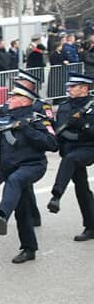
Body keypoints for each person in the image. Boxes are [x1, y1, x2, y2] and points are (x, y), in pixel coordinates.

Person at [0, 84, 58, 262]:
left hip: (33, 165)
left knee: (14, 181)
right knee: (22, 208)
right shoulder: (3, 120)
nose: (9, 100)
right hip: (11, 166)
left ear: (24, 101)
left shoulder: (37, 120)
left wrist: (27, 130)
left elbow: (52, 143)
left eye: (13, 97)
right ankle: (28, 248)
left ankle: (2, 216)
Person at [48, 73, 94, 241]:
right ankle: (91, 226)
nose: (69, 89)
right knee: (81, 187)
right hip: (69, 148)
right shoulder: (64, 106)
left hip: (89, 147)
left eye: (73, 86)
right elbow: (59, 130)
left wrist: (84, 125)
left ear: (84, 88)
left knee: (71, 160)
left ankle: (56, 195)